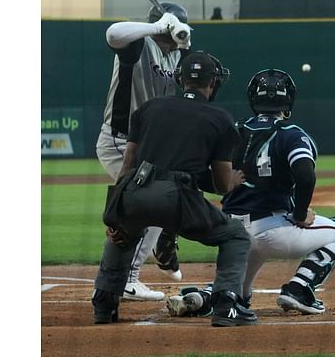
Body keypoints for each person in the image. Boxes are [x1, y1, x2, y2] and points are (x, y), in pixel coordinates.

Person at [165, 69, 335, 318]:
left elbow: (199, 172)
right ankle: (300, 287)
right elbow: (305, 174)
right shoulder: (291, 134)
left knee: (238, 296)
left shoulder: (232, 129)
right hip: (274, 230)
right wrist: (299, 214)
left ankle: (202, 298)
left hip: (232, 232)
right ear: (288, 101)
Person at [92, 52, 258, 327]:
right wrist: (234, 181)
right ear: (214, 83)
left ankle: (103, 303)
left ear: (180, 80)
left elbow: (128, 165)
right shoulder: (221, 119)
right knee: (236, 236)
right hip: (178, 197)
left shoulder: (148, 108)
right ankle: (227, 304)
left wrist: (114, 216)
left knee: (122, 234)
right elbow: (220, 184)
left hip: (136, 189)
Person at [94, 2, 192, 301]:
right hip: (119, 140)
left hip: (152, 145)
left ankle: (164, 242)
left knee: (173, 192)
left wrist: (183, 37)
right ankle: (127, 279)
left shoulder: (176, 53)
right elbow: (113, 33)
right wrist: (157, 26)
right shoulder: (137, 44)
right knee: (148, 201)